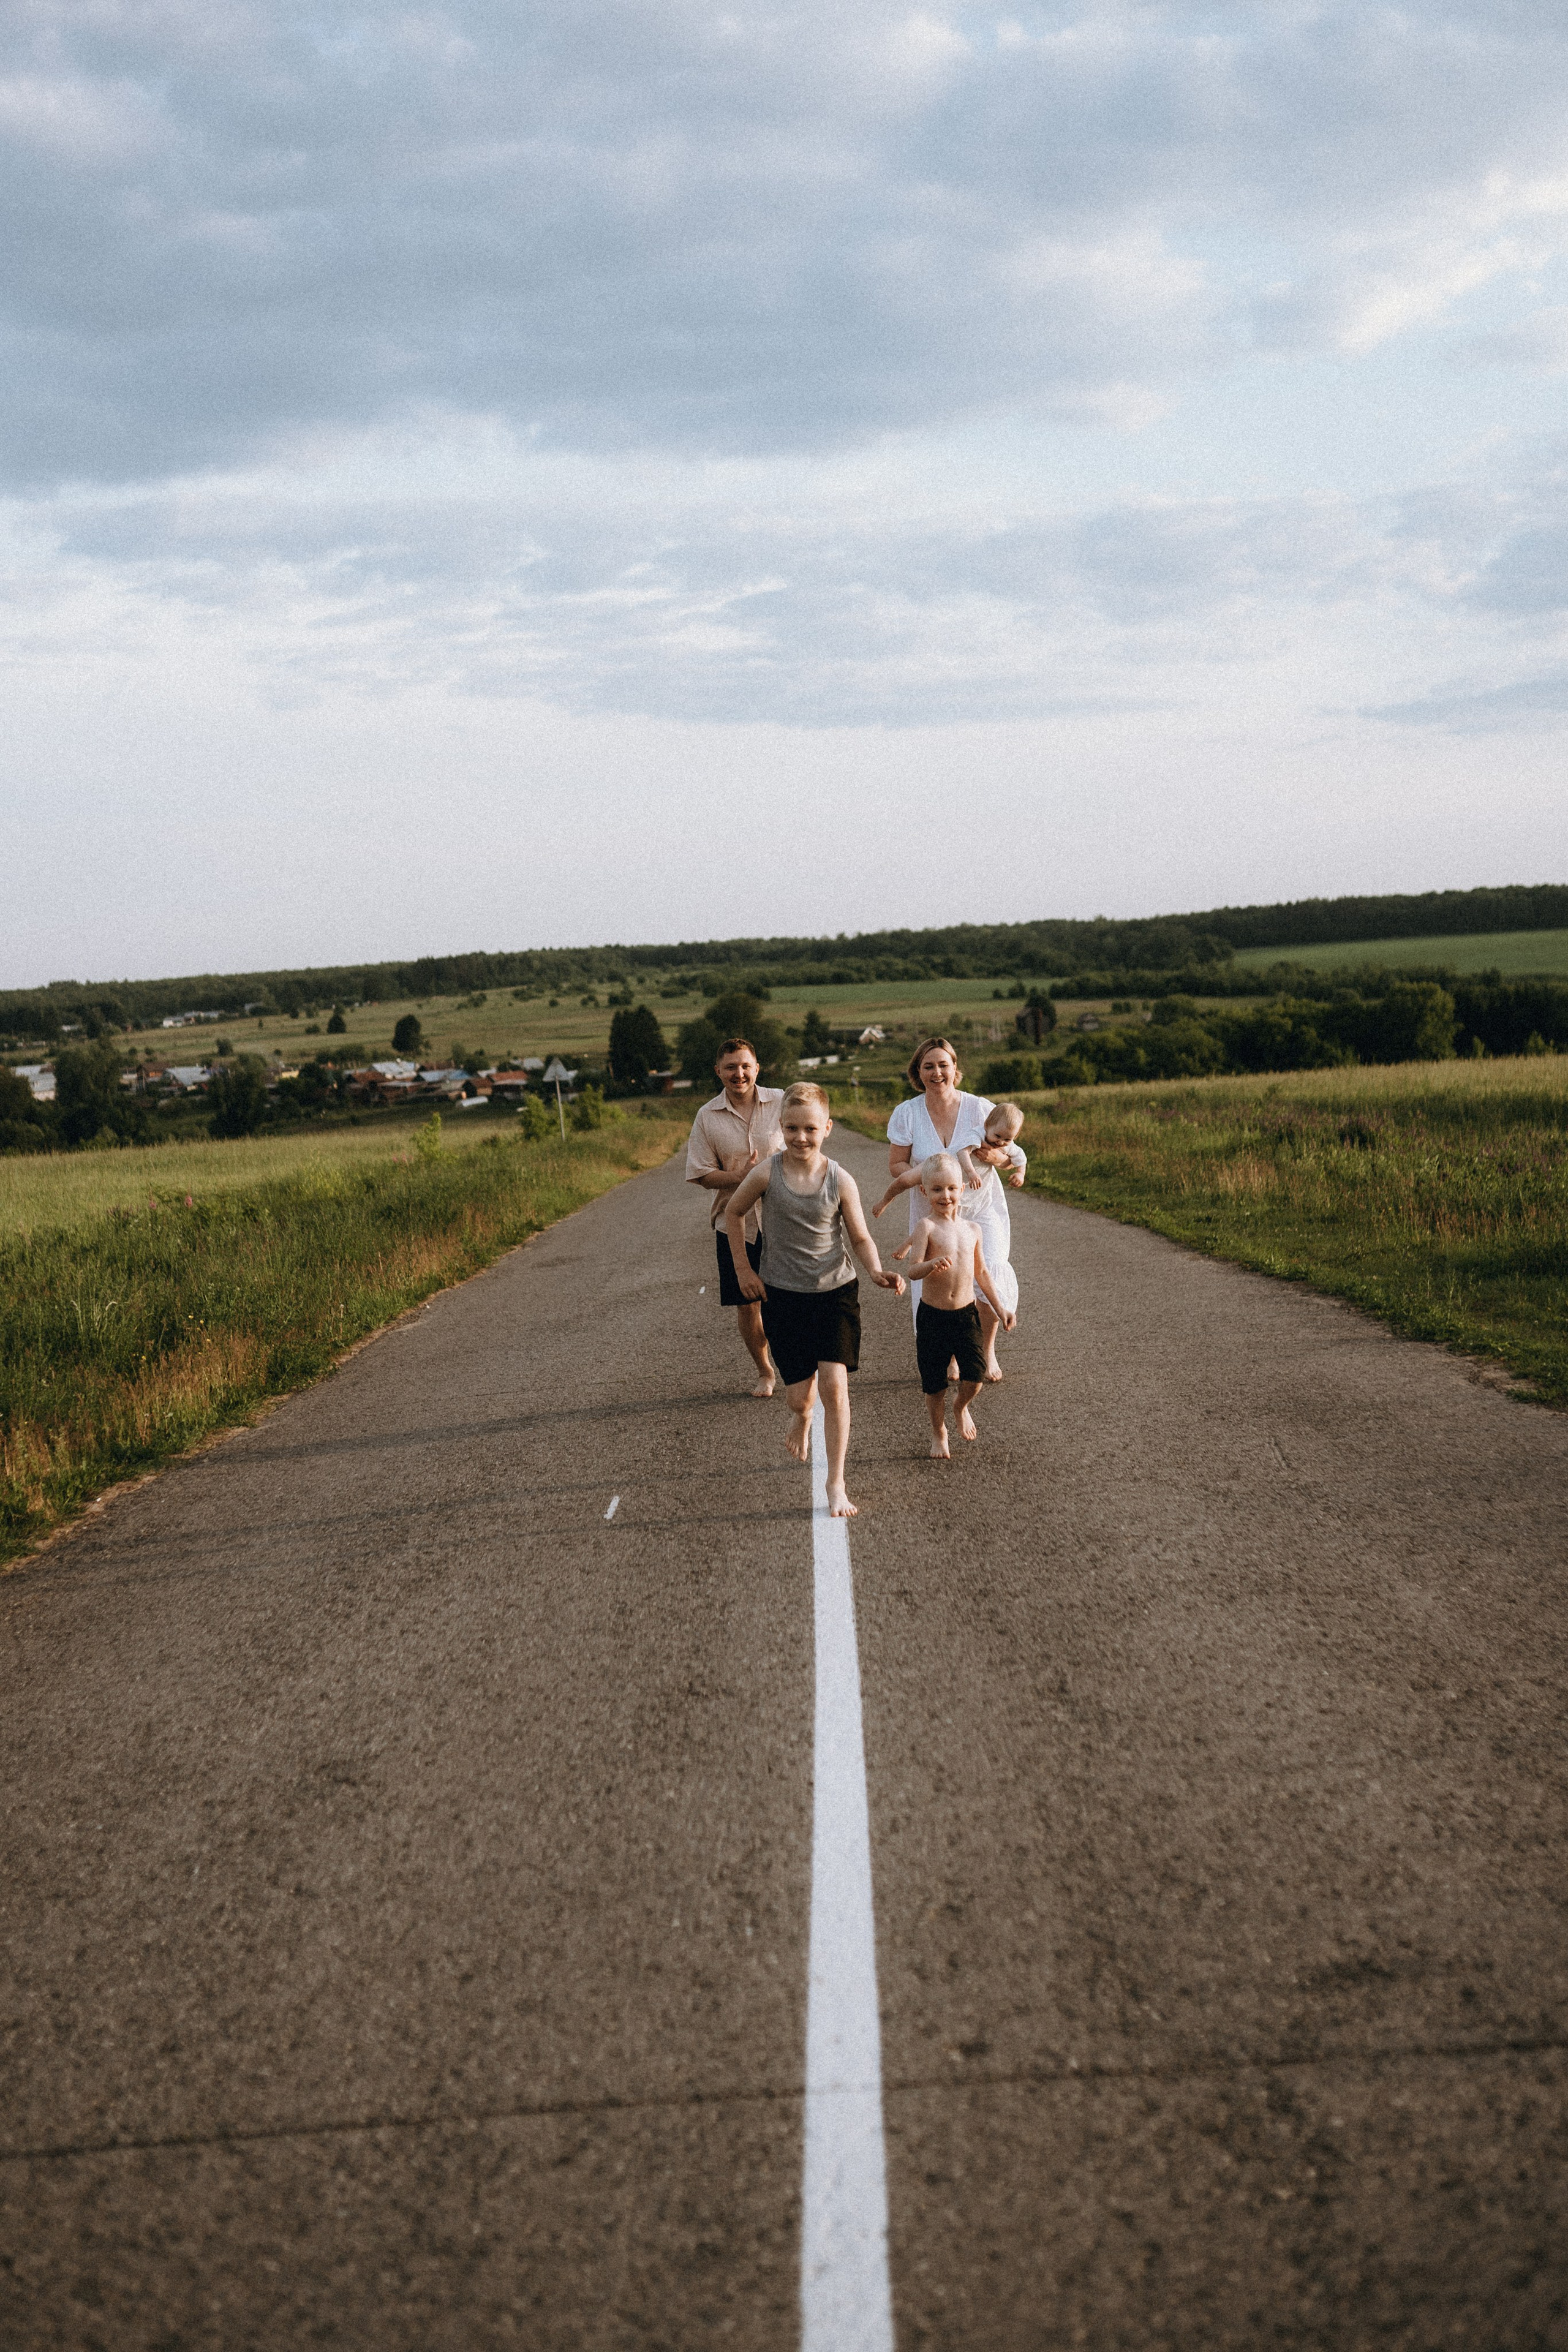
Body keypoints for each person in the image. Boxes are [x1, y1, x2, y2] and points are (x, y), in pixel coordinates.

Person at [723, 1082, 903, 1517]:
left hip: (835, 1293)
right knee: (799, 1398)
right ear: (780, 1127)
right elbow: (733, 1212)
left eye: (809, 1129)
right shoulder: (768, 1173)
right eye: (791, 1128)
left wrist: (876, 1270)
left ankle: (836, 1482)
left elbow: (859, 1235)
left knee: (836, 1387)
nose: (800, 1138)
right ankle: (801, 1417)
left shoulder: (841, 1178)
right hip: (783, 1297)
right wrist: (744, 1271)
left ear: (827, 1128)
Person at [885, 1036, 1006, 1366]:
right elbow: (896, 1165)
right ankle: (951, 1352)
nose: (937, 1073)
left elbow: (1009, 1155)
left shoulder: (980, 1108)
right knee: (940, 1278)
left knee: (987, 1271)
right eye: (929, 1066)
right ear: (918, 1072)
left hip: (980, 1207)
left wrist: (995, 1156)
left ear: (955, 1068)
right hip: (932, 1211)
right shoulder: (906, 1113)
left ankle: (986, 1350)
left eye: (943, 1065)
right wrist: (920, 1177)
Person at [892, 1153, 1016, 1457]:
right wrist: (931, 1264)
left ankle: (961, 1408)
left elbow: (983, 1273)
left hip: (966, 1315)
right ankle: (939, 1432)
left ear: (962, 1188)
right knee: (934, 1385)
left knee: (975, 1377)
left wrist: (1001, 1309)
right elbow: (913, 1270)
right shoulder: (926, 1228)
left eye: (950, 1188)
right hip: (933, 1316)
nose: (945, 1196)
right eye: (936, 1190)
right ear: (924, 1192)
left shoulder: (973, 1230)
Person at [685, 1036, 786, 1395]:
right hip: (735, 1225)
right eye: (731, 1068)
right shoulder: (707, 1116)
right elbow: (700, 1173)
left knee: (789, 1299)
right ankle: (765, 1371)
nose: (739, 1074)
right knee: (748, 1304)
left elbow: (808, 1145)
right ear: (718, 1072)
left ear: (757, 1068)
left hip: (784, 1219)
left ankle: (798, 1363)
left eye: (746, 1066)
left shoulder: (782, 1102)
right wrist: (741, 1177)